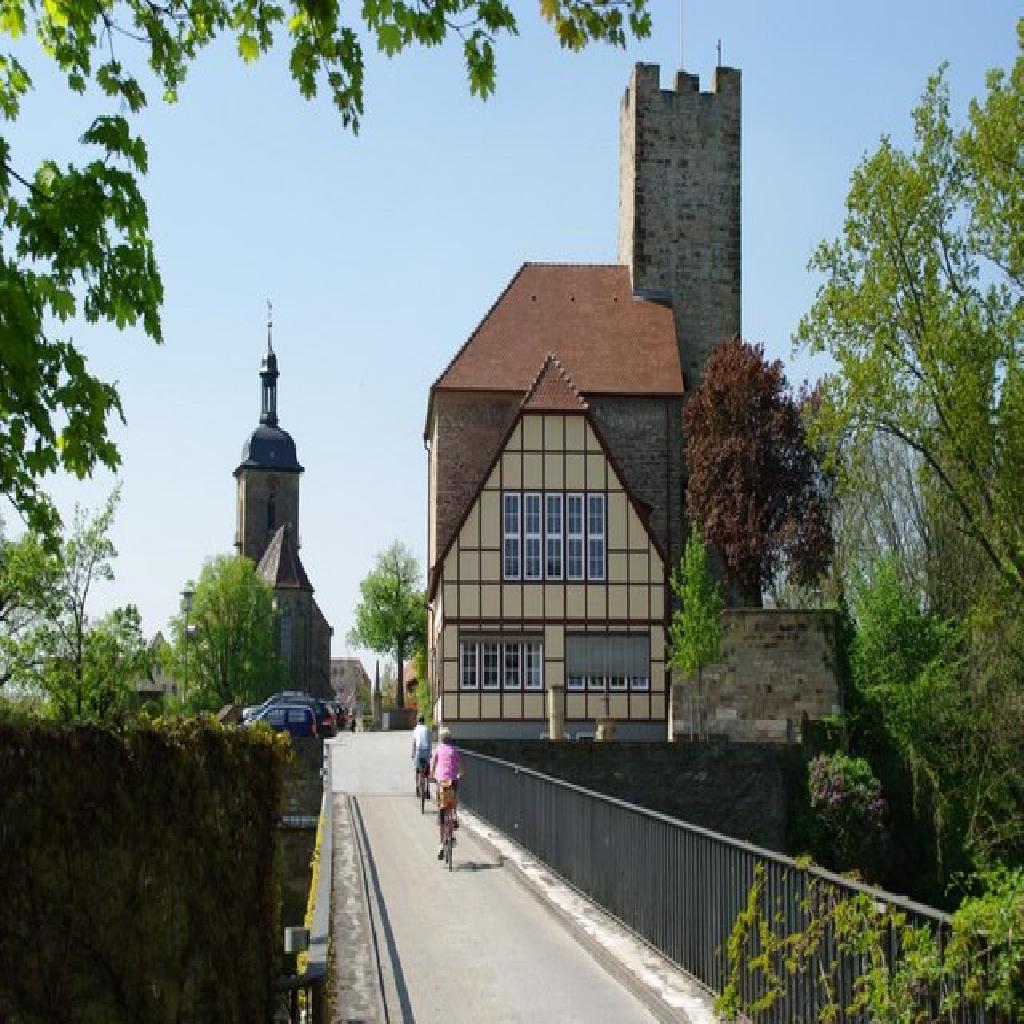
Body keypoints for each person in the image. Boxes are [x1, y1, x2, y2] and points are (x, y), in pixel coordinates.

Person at [429, 725, 462, 860]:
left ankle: (441, 844)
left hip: (441, 781)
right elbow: (461, 767)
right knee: (453, 799)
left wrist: (432, 775)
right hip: (452, 780)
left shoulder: (437, 749)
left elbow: (433, 765)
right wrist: (459, 774)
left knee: (441, 809)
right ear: (450, 738)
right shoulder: (454, 750)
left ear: (441, 739)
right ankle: (453, 816)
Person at [411, 714, 431, 794]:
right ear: (424, 721)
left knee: (417, 770)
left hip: (419, 750)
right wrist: (430, 753)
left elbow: (414, 742)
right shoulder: (427, 729)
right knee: (427, 770)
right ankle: (427, 789)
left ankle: (417, 788)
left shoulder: (416, 729)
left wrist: (413, 753)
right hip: (426, 750)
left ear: (418, 721)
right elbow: (429, 742)